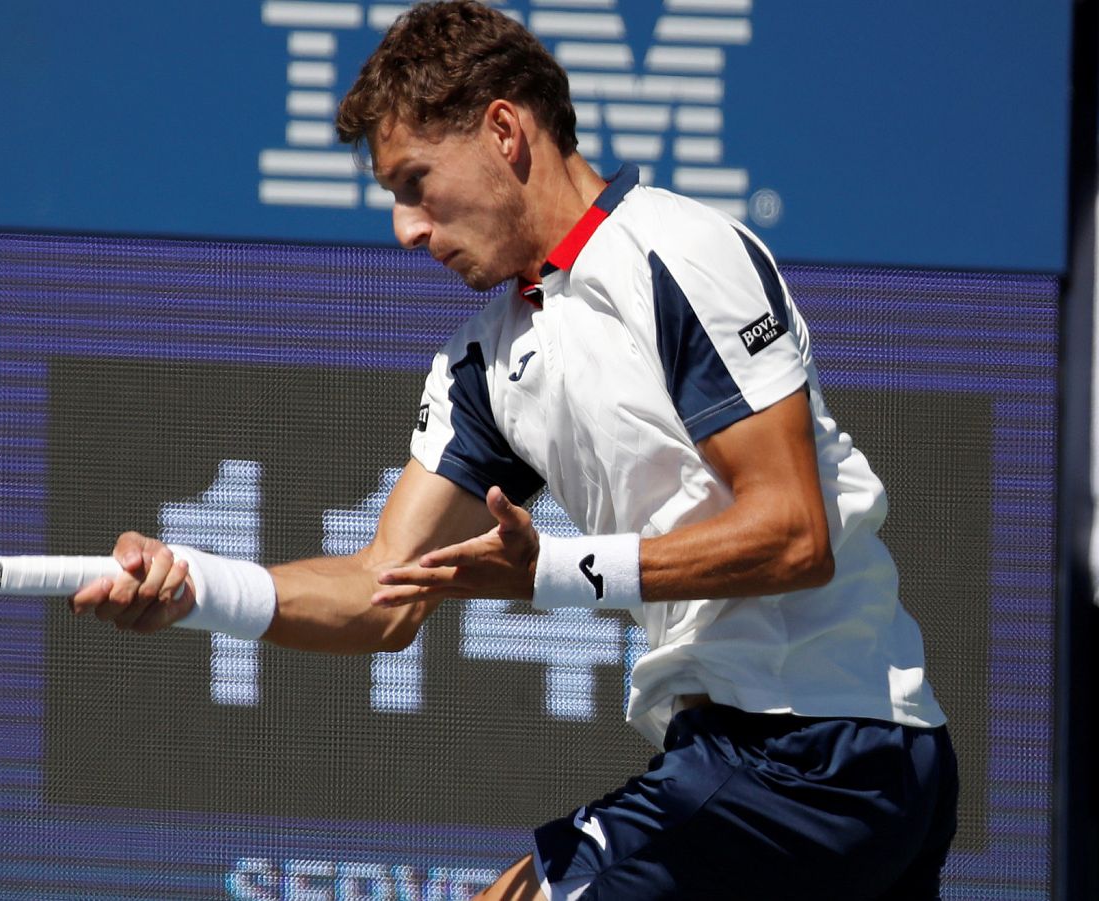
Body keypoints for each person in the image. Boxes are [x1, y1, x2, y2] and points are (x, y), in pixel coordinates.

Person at [70, 2, 958, 897]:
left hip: (822, 749)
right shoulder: (487, 364)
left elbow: (796, 534)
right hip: (759, 760)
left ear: (503, 130)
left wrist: (554, 572)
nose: (406, 229)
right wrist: (192, 586)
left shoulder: (679, 255)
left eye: (415, 182)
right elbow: (385, 591)